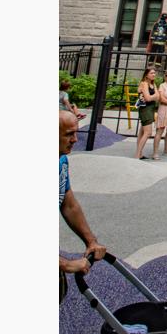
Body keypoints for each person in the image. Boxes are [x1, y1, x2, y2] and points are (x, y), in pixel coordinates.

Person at [60, 109, 112, 296]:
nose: (75, 140)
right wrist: (65, 264)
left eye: (76, 133)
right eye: (68, 134)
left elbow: (69, 204)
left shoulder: (61, 161)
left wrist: (91, 241)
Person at [133, 66, 161, 161]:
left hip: (151, 108)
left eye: (154, 73)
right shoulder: (144, 84)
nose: (154, 74)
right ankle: (137, 155)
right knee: (148, 132)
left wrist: (152, 96)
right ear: (146, 75)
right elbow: (149, 98)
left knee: (142, 131)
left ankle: (139, 154)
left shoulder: (153, 84)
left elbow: (157, 96)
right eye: (151, 73)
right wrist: (154, 96)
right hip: (145, 109)